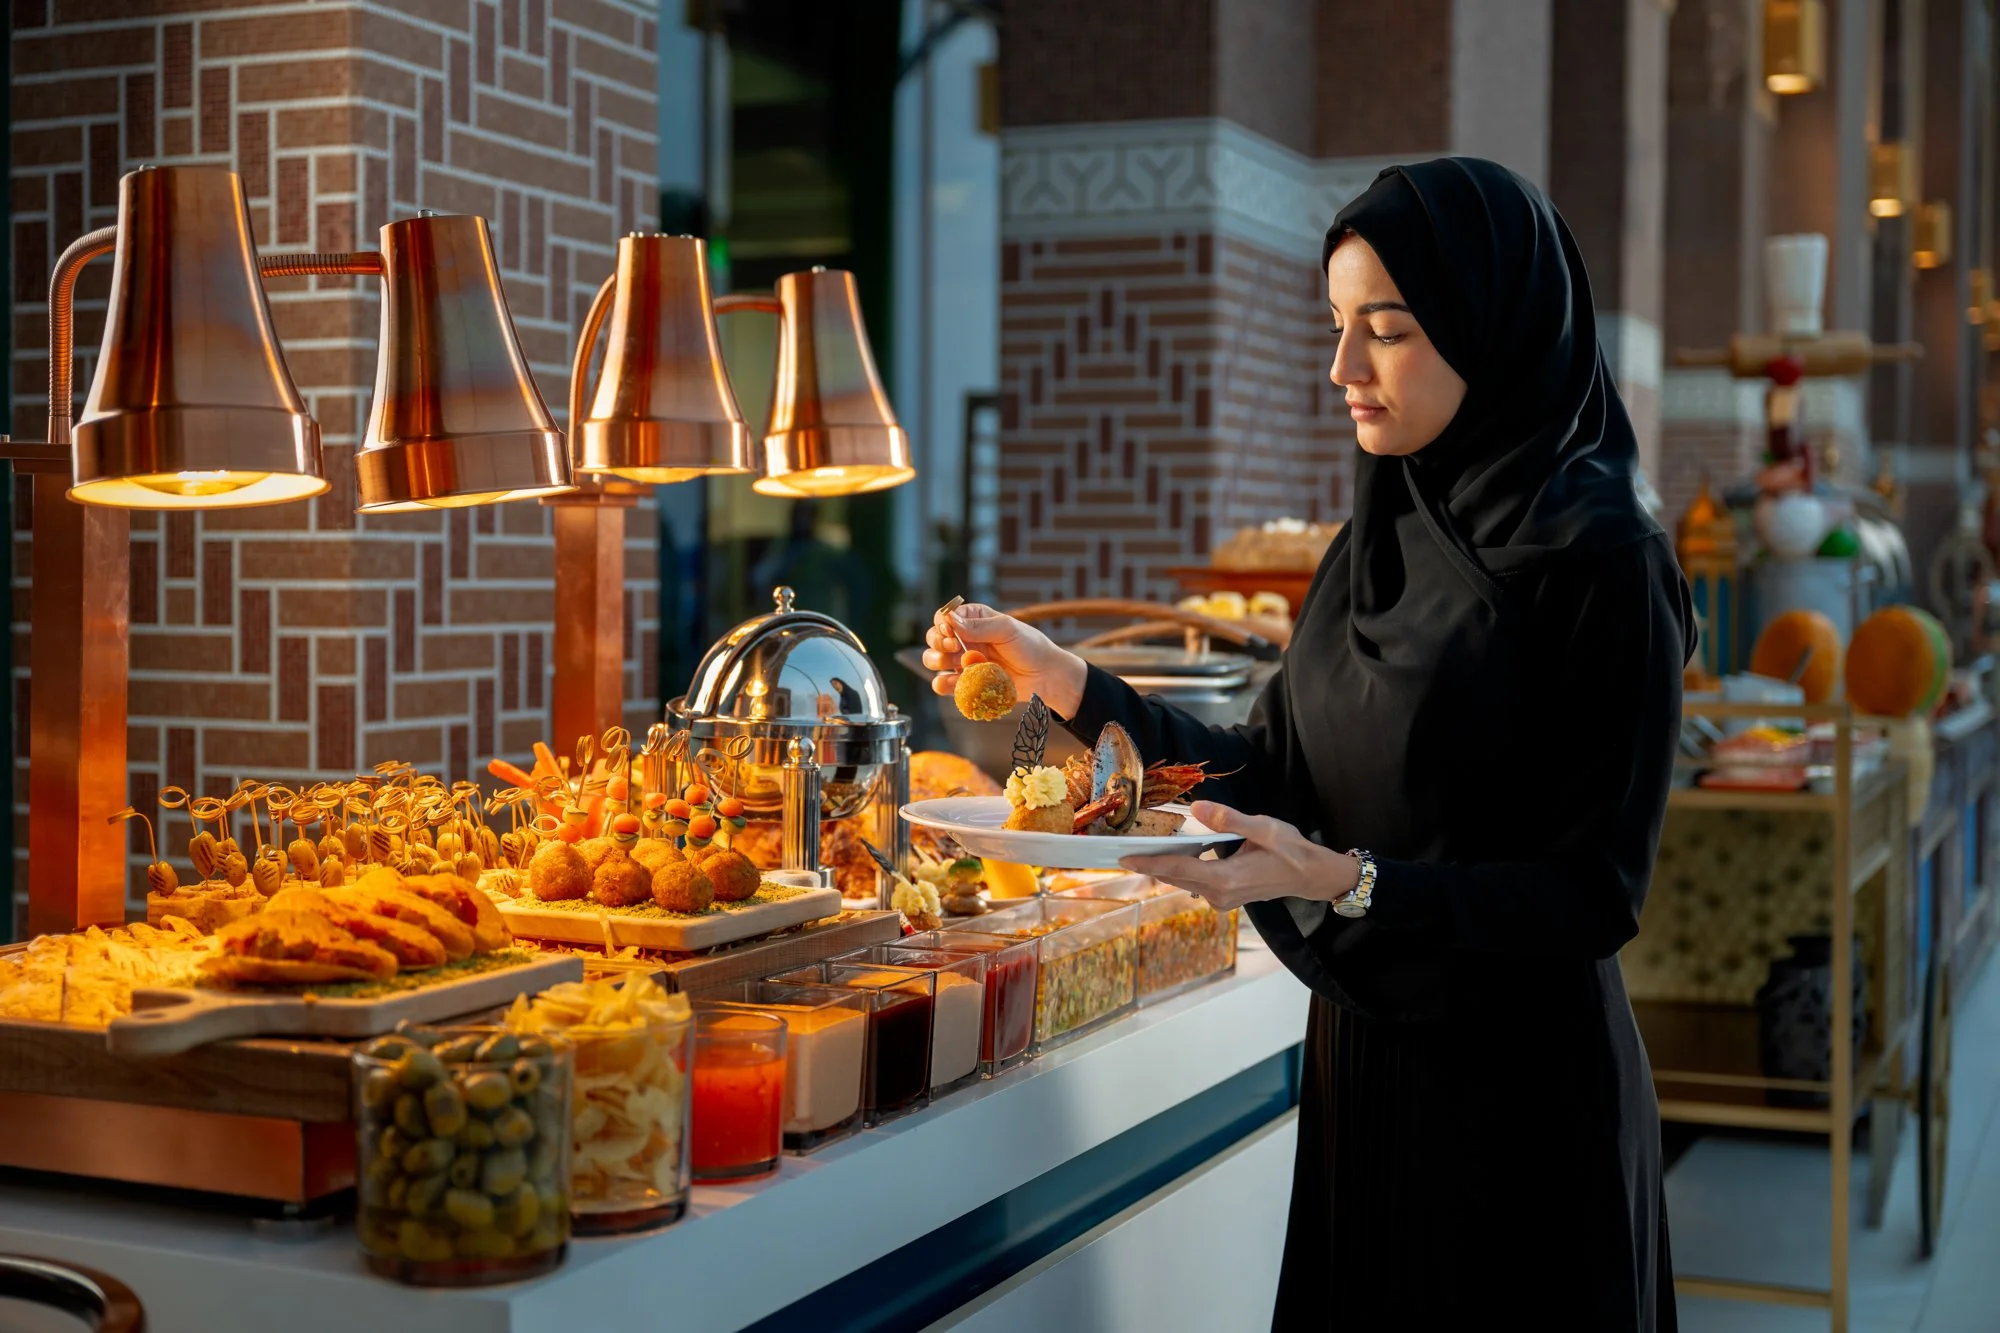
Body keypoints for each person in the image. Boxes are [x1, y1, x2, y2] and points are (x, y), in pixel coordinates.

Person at [925, 158, 1689, 1331]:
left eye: (1382, 330)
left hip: (1525, 1111)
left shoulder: (1605, 565)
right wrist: (1058, 676)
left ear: (1493, 324)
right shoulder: (1377, 537)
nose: (1341, 369)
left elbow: (1590, 895)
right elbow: (1265, 766)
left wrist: (1344, 880)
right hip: (1369, 1073)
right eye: (1336, 327)